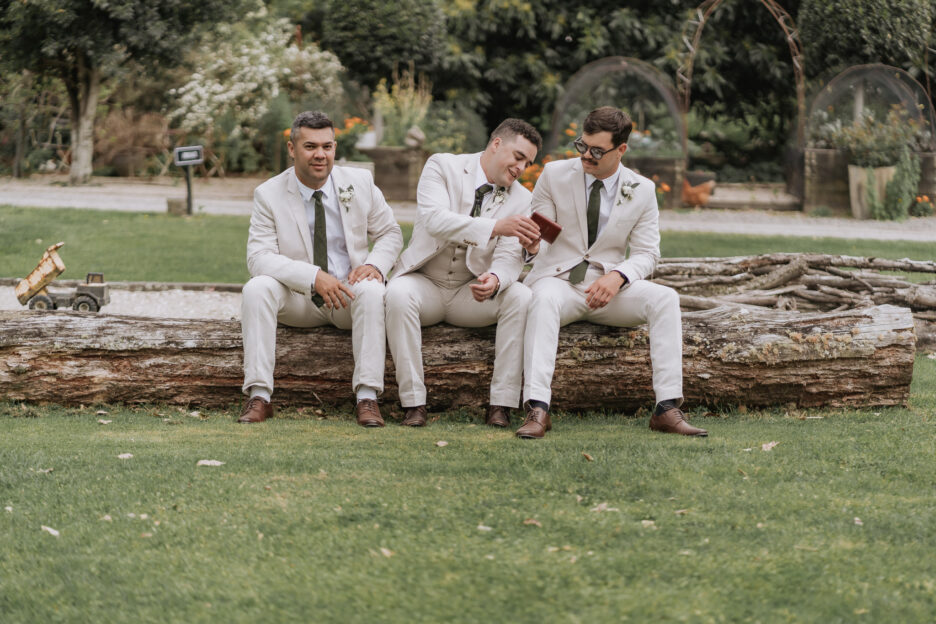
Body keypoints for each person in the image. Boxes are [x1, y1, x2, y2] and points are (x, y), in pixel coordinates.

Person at [517, 106, 707, 439]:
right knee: (543, 299)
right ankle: (537, 408)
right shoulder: (553, 174)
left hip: (608, 290)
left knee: (665, 298)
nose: (586, 156)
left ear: (621, 150)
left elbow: (648, 254)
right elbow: (542, 239)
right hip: (558, 283)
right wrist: (531, 248)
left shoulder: (643, 190)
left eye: (597, 151)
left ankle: (667, 408)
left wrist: (619, 276)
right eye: (582, 146)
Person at [238, 111, 403, 427]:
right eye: (310, 146)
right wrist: (311, 276)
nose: (320, 155)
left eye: (327, 147)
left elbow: (390, 233)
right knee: (256, 288)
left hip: (346, 295)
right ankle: (259, 396)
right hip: (297, 297)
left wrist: (374, 265)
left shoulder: (360, 183)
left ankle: (367, 397)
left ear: (335, 148)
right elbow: (258, 257)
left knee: (371, 289)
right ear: (292, 149)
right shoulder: (268, 194)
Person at [385, 119, 542, 428]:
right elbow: (435, 221)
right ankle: (414, 403)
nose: (521, 167)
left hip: (468, 293)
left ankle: (501, 403)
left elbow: (511, 257)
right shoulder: (442, 166)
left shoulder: (522, 198)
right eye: (518, 157)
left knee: (521, 296)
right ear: (496, 144)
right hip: (424, 281)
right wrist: (495, 227)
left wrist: (496, 279)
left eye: (528, 163)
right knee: (397, 294)